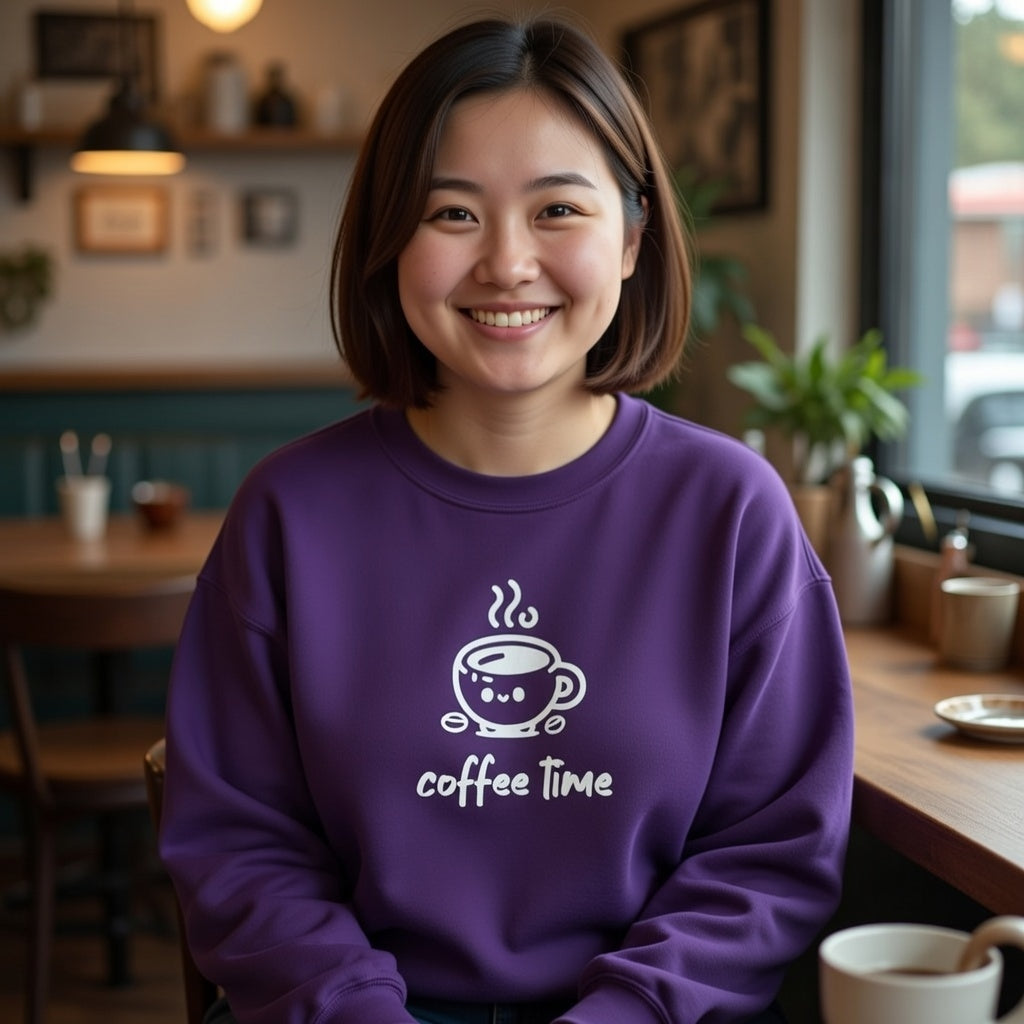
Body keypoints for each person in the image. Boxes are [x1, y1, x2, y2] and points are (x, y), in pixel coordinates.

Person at [160, 15, 854, 1024]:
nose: (506, 262)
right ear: (389, 242)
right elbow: (240, 845)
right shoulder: (288, 514)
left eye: (557, 209)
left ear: (632, 239)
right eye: (451, 213)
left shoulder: (730, 510)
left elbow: (768, 854)